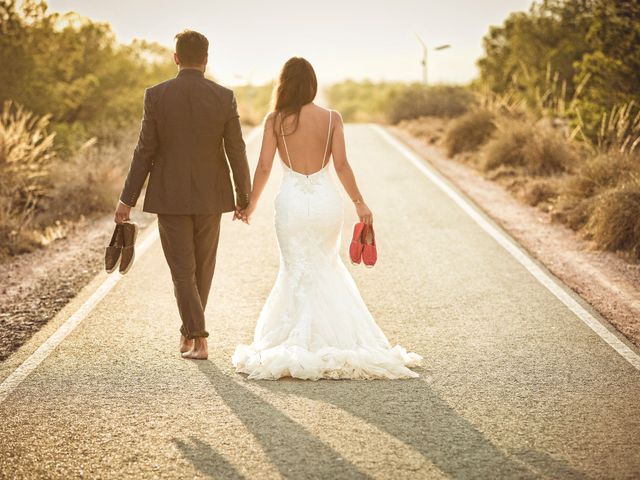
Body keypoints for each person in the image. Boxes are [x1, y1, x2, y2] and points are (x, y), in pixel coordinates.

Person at [232, 57, 422, 380]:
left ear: (284, 85)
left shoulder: (275, 120)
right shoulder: (332, 118)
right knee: (325, 266)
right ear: (312, 85)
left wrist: (249, 205)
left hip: (291, 203)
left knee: (294, 269)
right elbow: (342, 165)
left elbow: (264, 167)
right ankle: (339, 339)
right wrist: (360, 204)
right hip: (325, 203)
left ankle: (296, 338)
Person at [114, 30, 251, 360]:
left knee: (182, 270)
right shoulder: (224, 96)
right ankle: (189, 331)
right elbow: (236, 148)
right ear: (206, 59)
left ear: (176, 58)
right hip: (212, 196)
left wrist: (127, 199)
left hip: (170, 196)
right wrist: (242, 196)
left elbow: (144, 151)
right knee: (202, 268)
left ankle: (198, 337)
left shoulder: (156, 95)